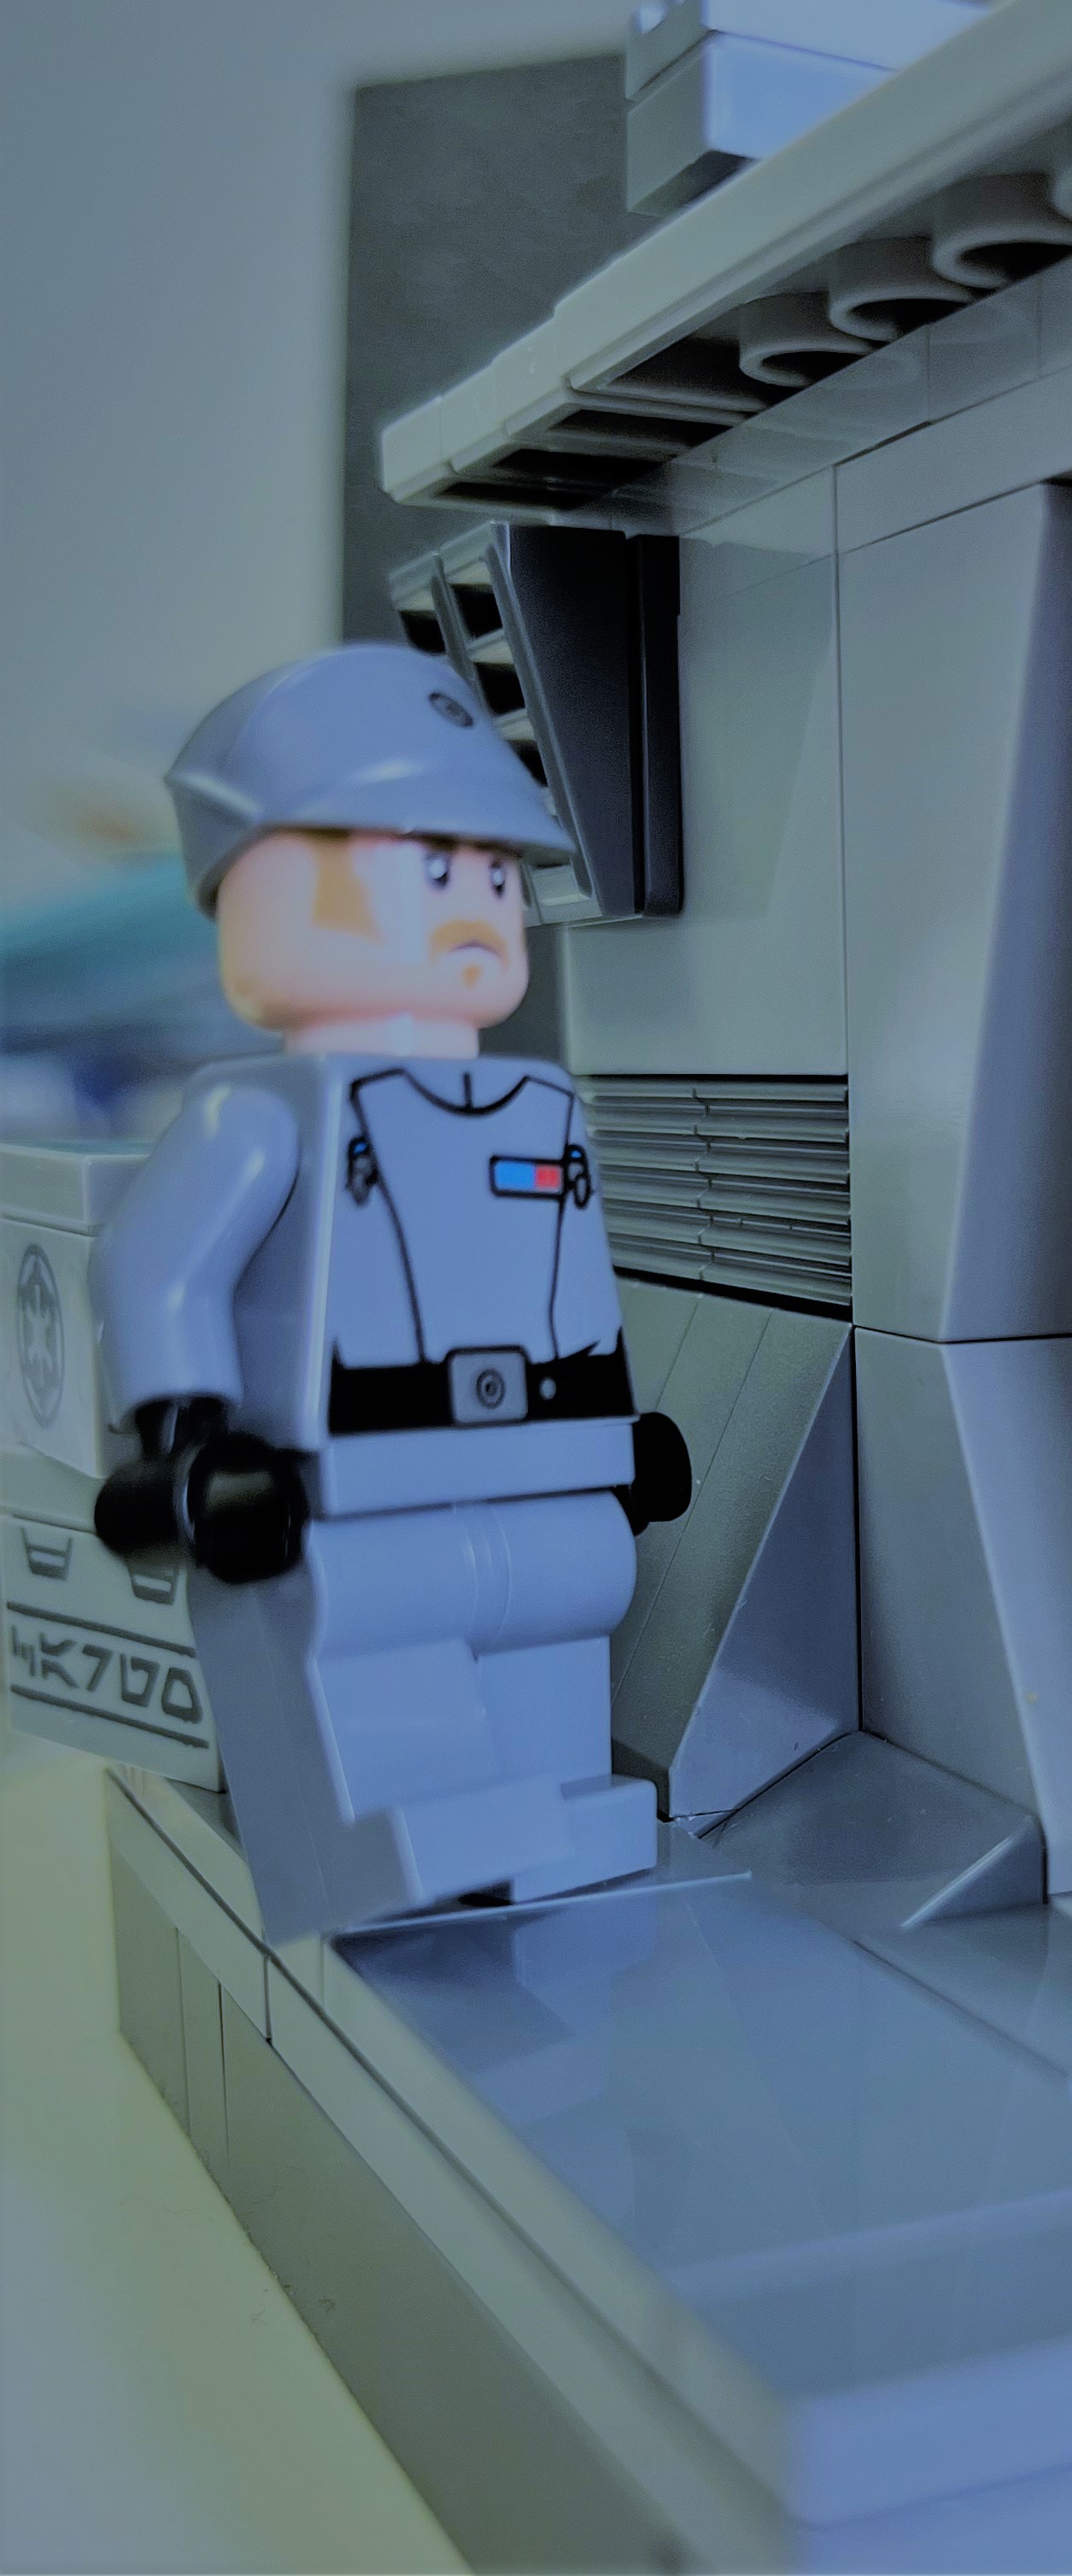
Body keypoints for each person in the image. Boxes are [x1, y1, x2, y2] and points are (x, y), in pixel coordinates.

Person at [91, 645, 688, 1942]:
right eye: (431, 869)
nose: (479, 904)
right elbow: (158, 1262)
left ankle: (551, 1811)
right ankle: (410, 1833)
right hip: (349, 1494)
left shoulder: (536, 1103)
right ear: (260, 889)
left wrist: (610, 1439)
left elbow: (550, 1270)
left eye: (496, 876)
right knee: (379, 1660)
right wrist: (189, 1434)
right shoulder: (259, 1116)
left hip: (544, 1478)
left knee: (554, 1649)